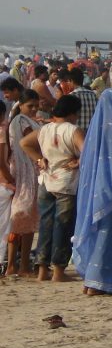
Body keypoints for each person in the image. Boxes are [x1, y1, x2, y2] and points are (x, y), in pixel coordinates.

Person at [72, 89, 112, 295]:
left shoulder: (95, 130)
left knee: (95, 233)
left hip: (95, 192)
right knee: (107, 238)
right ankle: (99, 283)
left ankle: (89, 282)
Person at [20, 94, 84, 282]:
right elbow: (87, 150)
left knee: (46, 226)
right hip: (66, 182)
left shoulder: (45, 129)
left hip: (47, 181)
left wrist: (40, 160)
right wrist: (78, 161)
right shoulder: (73, 130)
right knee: (63, 227)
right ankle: (58, 270)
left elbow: (24, 143)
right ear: (73, 113)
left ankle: (41, 270)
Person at [6, 91, 41, 276]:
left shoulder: (25, 120)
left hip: (28, 171)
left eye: (36, 105)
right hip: (23, 173)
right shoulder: (21, 120)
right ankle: (18, 264)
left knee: (26, 219)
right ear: (21, 105)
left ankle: (20, 264)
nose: (34, 109)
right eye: (30, 106)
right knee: (21, 217)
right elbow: (34, 140)